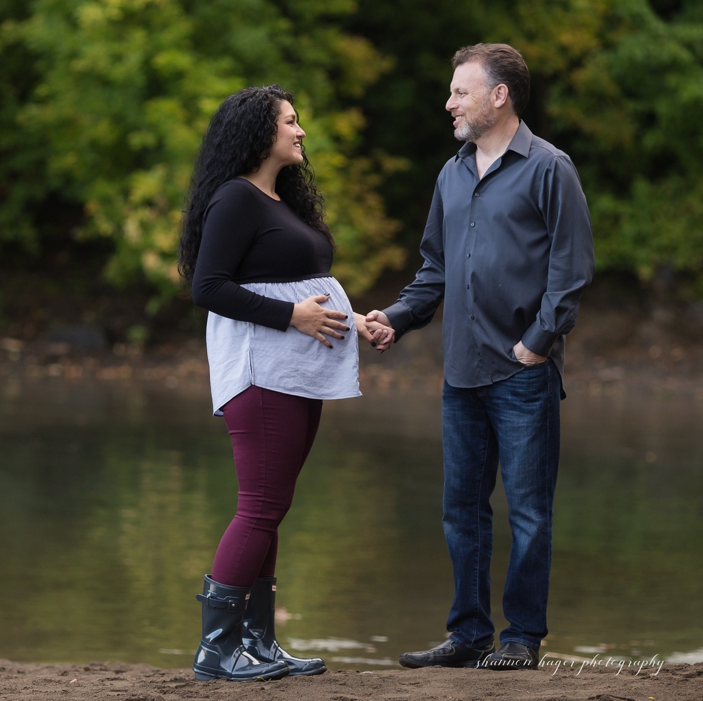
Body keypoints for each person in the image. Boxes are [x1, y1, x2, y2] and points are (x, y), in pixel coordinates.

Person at [367, 43, 594, 671]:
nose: (449, 102)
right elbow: (435, 269)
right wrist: (397, 318)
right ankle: (468, 635)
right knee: (461, 510)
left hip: (523, 374)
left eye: (460, 91)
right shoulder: (451, 174)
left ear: (499, 96)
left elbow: (571, 273)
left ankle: (521, 638)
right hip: (460, 374)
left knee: (529, 513)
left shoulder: (551, 168)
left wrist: (536, 346)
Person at [178, 85, 388, 682]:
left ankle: (260, 643)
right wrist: (292, 317)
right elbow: (208, 288)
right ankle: (216, 652)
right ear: (258, 133)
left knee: (273, 507)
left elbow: (299, 281)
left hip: (297, 373)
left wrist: (355, 320)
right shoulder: (235, 199)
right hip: (260, 372)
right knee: (261, 506)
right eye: (291, 122)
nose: (300, 132)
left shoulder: (280, 200)